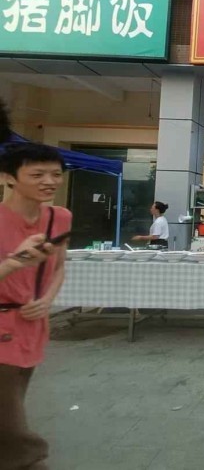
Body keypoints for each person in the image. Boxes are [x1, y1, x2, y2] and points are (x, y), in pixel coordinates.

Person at [0, 99, 73, 470]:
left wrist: (47, 300)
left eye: (56, 174)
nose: (49, 181)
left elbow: (58, 266)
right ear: (9, 177)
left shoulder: (59, 218)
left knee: (12, 406)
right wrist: (13, 262)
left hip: (31, 326)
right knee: (11, 428)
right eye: (38, 174)